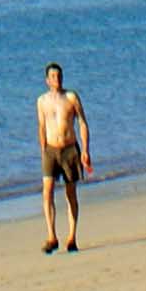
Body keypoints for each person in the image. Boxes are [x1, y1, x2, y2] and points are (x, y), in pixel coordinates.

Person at [35, 61, 91, 252]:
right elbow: (41, 126)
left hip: (69, 150)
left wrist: (85, 150)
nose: (56, 79)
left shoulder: (71, 97)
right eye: (52, 76)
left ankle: (72, 237)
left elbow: (82, 123)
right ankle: (51, 236)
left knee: (70, 193)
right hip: (51, 150)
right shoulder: (41, 101)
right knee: (47, 192)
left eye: (58, 76)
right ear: (47, 80)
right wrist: (43, 150)